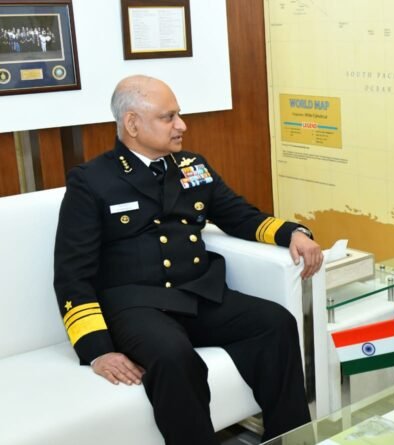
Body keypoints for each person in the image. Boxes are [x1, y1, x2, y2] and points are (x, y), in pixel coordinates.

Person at [53, 75, 323, 445]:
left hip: (198, 294)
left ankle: (291, 440)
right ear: (132, 123)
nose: (182, 125)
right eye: (168, 117)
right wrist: (97, 350)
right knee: (173, 356)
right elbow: (72, 272)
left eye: (178, 115)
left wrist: (292, 233)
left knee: (275, 322)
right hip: (137, 307)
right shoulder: (92, 180)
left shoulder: (191, 167)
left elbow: (239, 215)